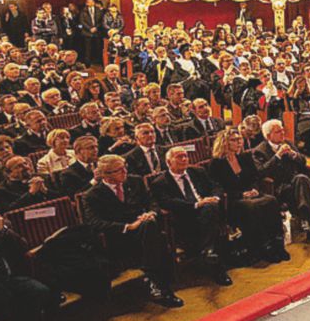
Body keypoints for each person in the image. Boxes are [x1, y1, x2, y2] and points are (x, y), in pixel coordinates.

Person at [82, 155, 184, 307]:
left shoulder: (135, 181)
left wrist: (151, 212)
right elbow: (95, 223)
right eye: (119, 170)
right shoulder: (92, 195)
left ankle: (152, 280)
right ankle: (159, 283)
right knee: (157, 237)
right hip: (119, 236)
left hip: (145, 227)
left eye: (125, 167)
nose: (125, 172)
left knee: (150, 226)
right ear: (106, 175)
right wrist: (127, 227)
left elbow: (152, 202)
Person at [149, 148, 232, 286]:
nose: (184, 159)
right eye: (179, 157)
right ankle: (212, 257)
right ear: (168, 162)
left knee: (210, 208)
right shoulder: (160, 182)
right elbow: (167, 202)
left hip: (208, 211)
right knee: (211, 217)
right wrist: (196, 204)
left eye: (186, 156)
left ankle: (210, 254)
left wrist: (215, 197)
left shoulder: (198, 172)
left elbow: (216, 187)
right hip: (184, 217)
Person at [207, 128, 287, 263]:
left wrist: (254, 189)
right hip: (234, 199)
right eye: (234, 140)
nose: (239, 142)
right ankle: (263, 246)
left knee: (271, 200)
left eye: (240, 139)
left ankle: (277, 243)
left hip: (251, 194)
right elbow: (218, 188)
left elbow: (255, 177)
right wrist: (241, 194)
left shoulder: (244, 157)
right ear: (225, 142)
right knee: (252, 206)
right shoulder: (216, 164)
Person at [252, 119, 310, 243]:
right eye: (278, 132)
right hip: (278, 187)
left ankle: (309, 223)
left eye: (282, 130)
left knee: (301, 179)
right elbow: (261, 172)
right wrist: (277, 156)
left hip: (295, 182)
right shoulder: (259, 151)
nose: (282, 133)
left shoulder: (288, 143)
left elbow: (303, 162)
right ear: (268, 136)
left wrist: (294, 155)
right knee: (302, 184)